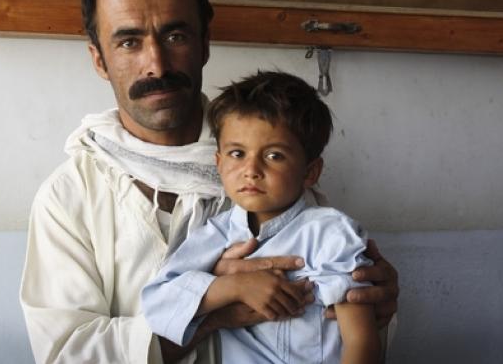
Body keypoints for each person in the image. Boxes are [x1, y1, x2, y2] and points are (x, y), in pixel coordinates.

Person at [19, 0, 399, 364]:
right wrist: (212, 311)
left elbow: (340, 325)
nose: (156, 65)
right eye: (129, 42)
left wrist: (376, 300)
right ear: (99, 59)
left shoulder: (270, 168)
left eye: (175, 37)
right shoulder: (70, 196)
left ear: (204, 44)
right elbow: (66, 354)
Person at [142, 71, 380, 364]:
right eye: (237, 153)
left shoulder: (330, 233)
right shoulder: (214, 235)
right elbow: (158, 305)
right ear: (219, 163)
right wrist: (233, 287)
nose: (251, 169)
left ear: (310, 172)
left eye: (274, 155)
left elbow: (362, 341)